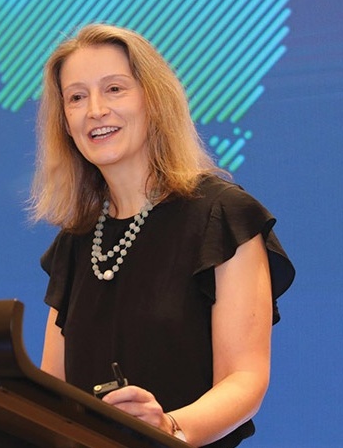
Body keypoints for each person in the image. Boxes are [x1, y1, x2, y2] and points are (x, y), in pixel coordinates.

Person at [30, 23, 295, 448]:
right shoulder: (75, 244)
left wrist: (168, 427)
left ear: (153, 99)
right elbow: (51, 395)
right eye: (76, 97)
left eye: (114, 89)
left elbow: (244, 379)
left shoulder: (222, 215)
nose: (95, 110)